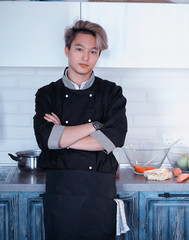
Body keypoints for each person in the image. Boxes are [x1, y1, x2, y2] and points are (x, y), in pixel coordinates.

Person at [33, 20, 127, 239]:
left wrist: (62, 136)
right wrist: (94, 126)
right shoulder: (47, 94)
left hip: (100, 189)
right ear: (67, 51)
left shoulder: (112, 92)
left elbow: (113, 138)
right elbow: (46, 139)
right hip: (61, 190)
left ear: (98, 55)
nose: (86, 57)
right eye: (79, 49)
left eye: (93, 51)